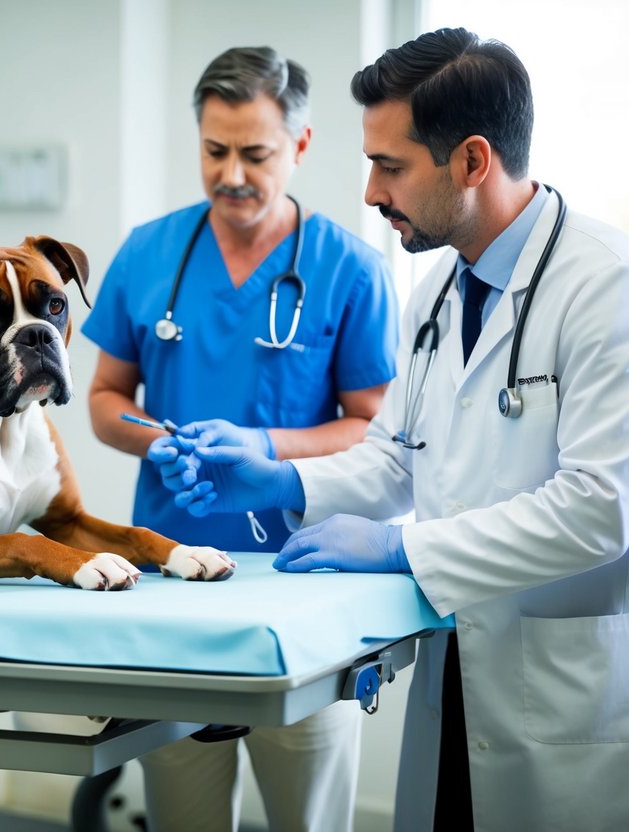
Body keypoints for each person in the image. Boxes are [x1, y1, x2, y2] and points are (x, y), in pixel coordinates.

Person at [155, 28, 629, 832]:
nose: (370, 191)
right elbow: (393, 461)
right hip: (456, 665)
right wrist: (281, 479)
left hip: (562, 686)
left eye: (390, 166)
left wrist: (403, 548)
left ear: (471, 161)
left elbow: (599, 508)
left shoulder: (603, 285)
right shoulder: (437, 292)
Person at [81, 47, 399, 832]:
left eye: (253, 154)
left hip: (302, 582)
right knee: (182, 811)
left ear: (298, 146)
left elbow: (373, 427)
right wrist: (151, 441)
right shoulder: (148, 253)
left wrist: (265, 448)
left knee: (309, 817)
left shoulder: (348, 269)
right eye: (213, 150)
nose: (230, 174)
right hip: (168, 581)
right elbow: (104, 398)